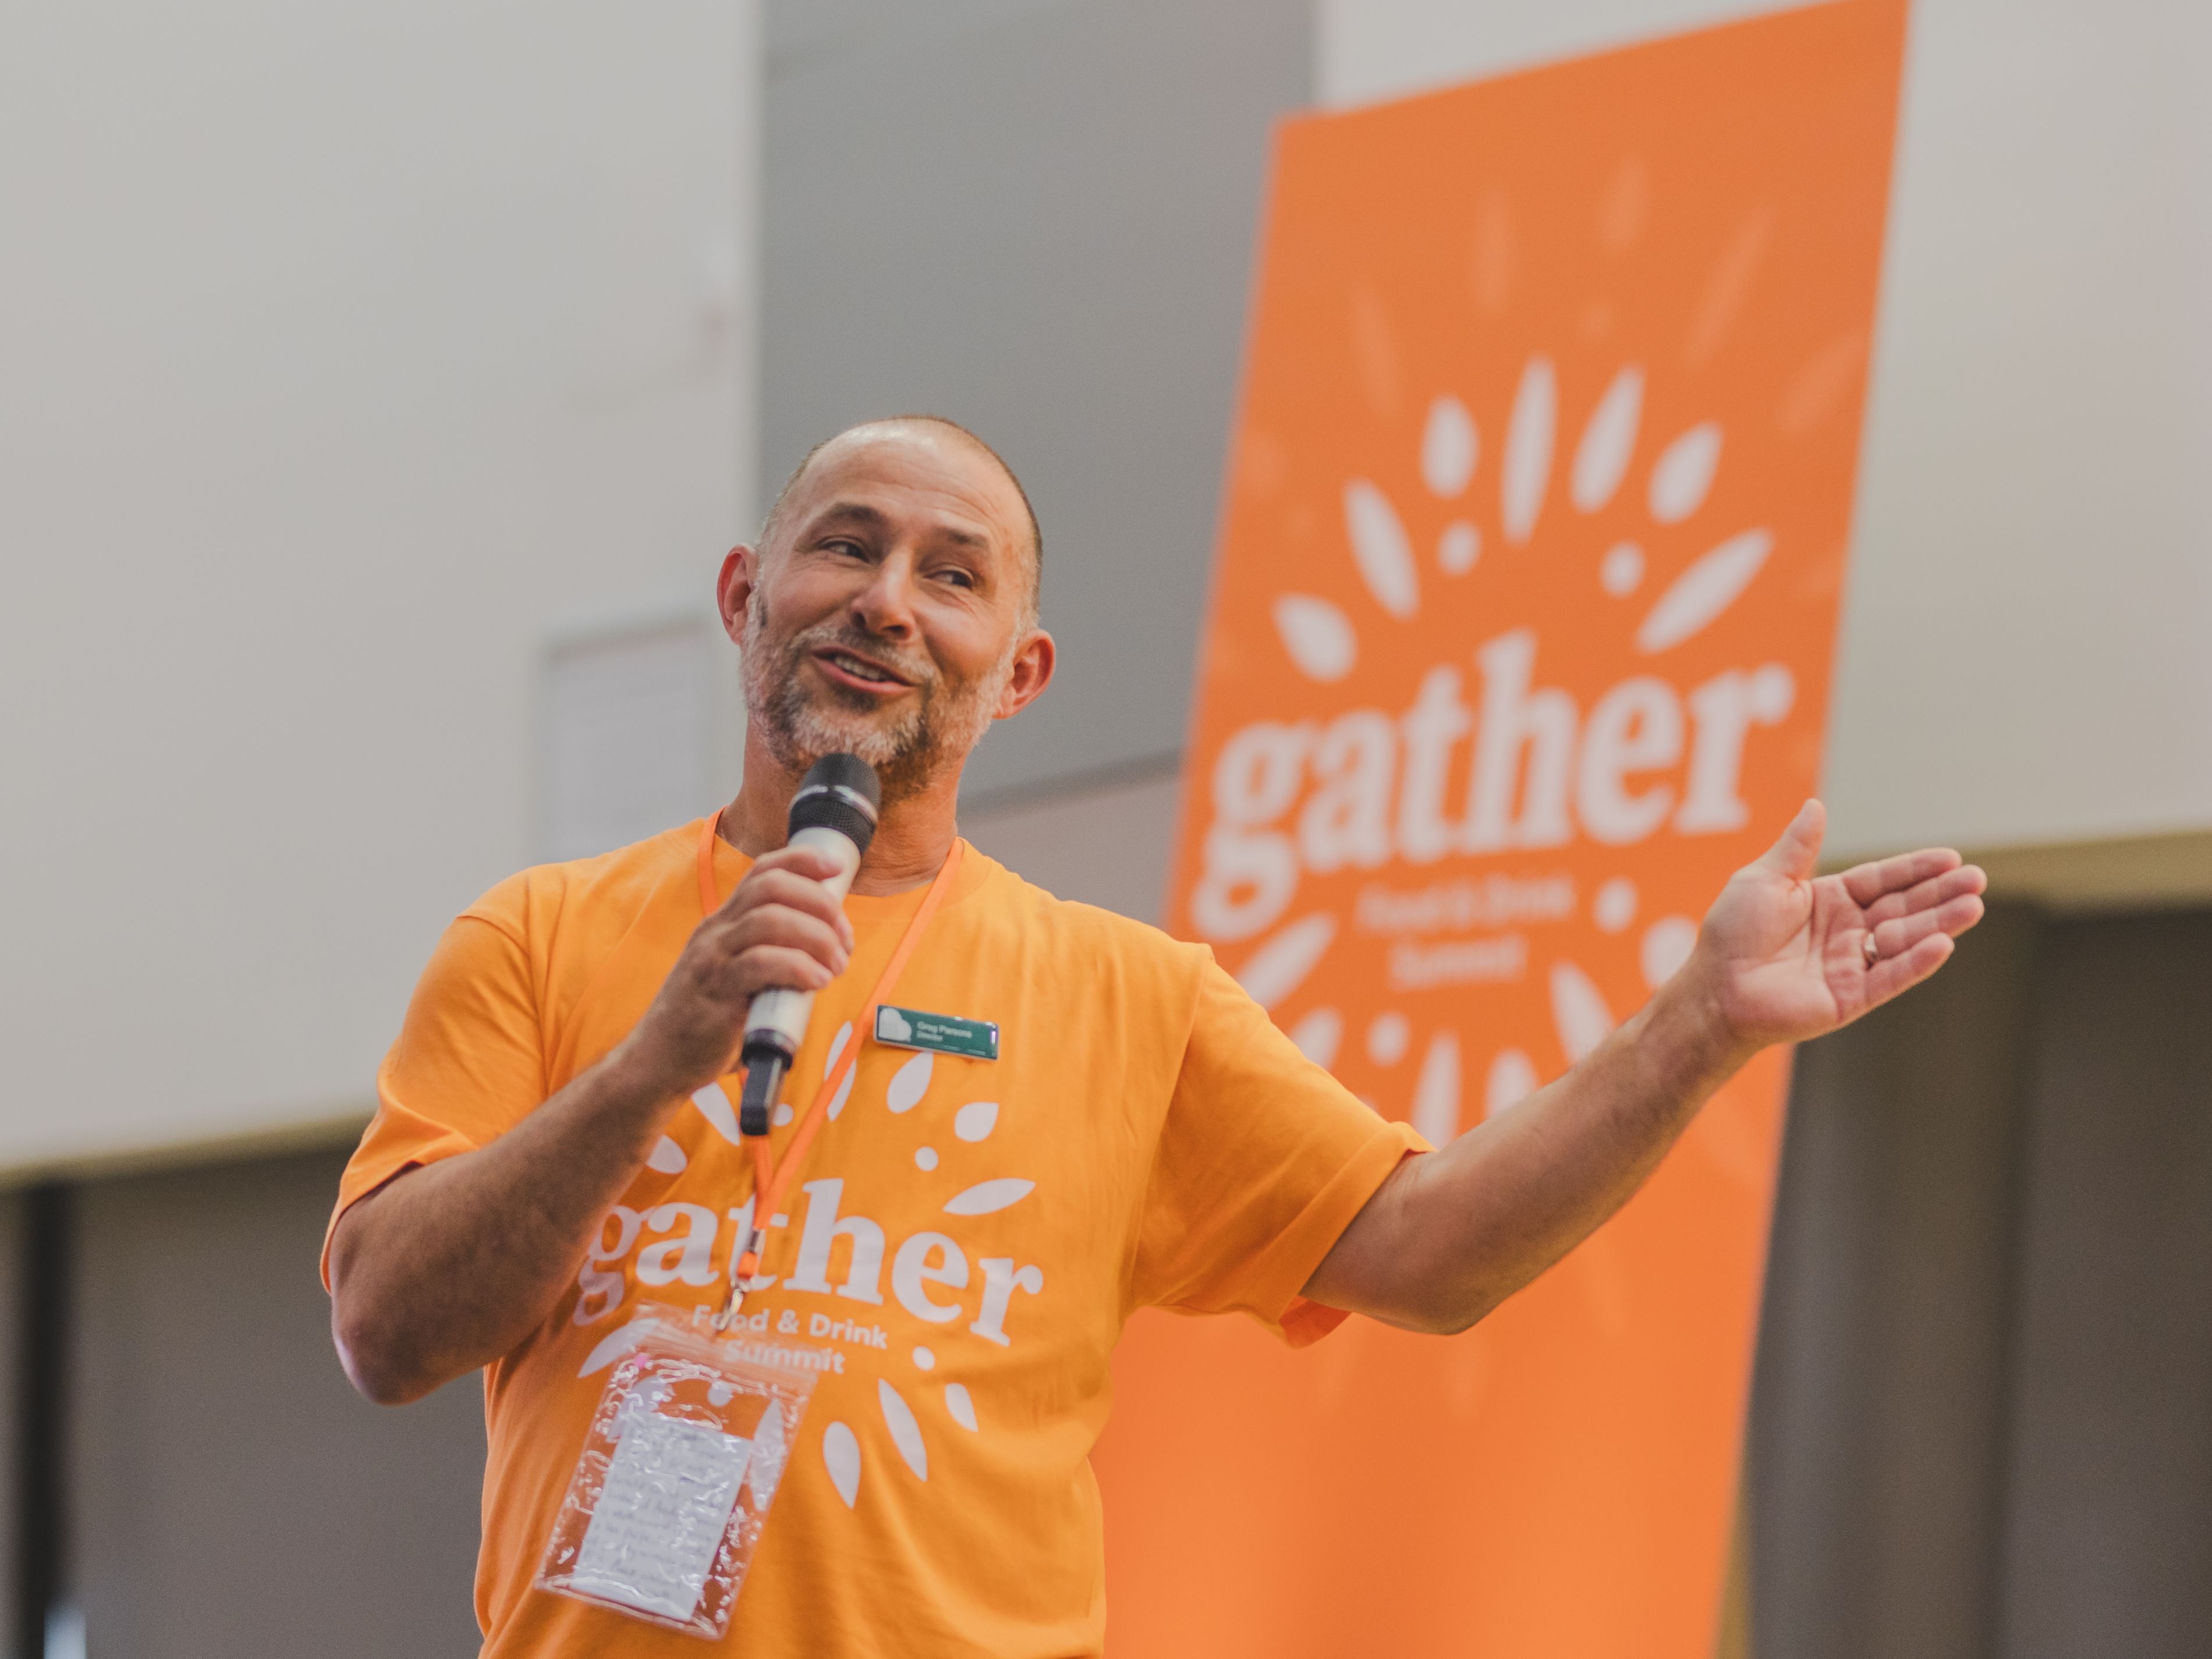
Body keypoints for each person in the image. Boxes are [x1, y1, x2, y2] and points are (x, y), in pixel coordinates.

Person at [324, 416, 1986, 1657]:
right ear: (748, 593)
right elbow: (388, 1329)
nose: (890, 601)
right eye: (848, 546)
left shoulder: (1133, 995)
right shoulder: (535, 939)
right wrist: (648, 1062)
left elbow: (1431, 1248)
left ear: (1019, 671)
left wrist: (1696, 1027)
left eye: (952, 575)